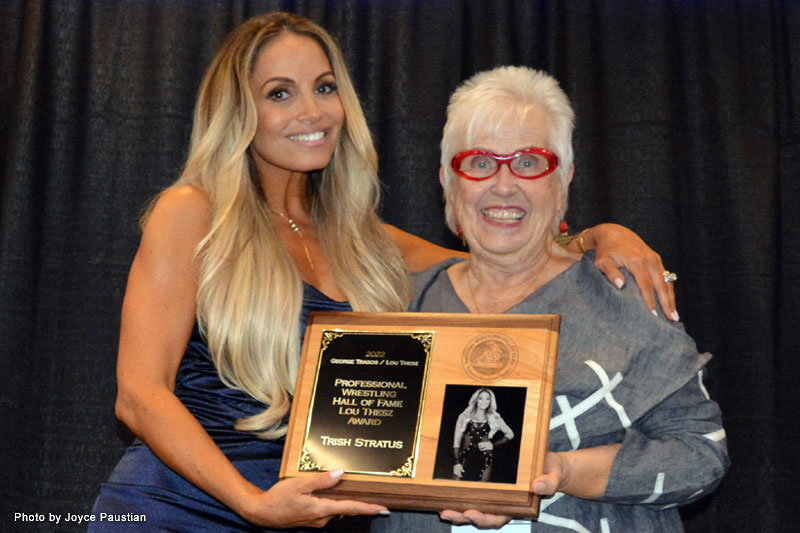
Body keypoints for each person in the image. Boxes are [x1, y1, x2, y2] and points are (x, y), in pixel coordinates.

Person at [90, 12, 683, 530]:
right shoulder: (193, 213)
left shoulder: (361, 237)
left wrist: (599, 236)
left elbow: (499, 251)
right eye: (279, 93)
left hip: (313, 515)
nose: (311, 111)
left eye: (324, 87)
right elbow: (139, 396)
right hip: (184, 510)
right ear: (237, 110)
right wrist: (252, 502)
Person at [400, 66, 729, 531]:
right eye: (478, 162)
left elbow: (701, 456)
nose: (504, 184)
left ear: (565, 181)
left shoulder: (625, 297)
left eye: (530, 161)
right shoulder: (400, 304)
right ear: (447, 182)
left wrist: (564, 471)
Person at [452, 388, 514, 482]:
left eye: (487, 399)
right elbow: (456, 443)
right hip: (464, 459)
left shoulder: (494, 417)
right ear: (476, 399)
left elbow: (510, 433)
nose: (484, 402)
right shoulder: (464, 416)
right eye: (481, 398)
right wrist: (456, 463)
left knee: (480, 490)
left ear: (490, 401)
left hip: (485, 461)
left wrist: (493, 445)